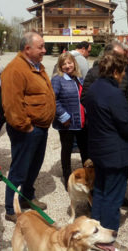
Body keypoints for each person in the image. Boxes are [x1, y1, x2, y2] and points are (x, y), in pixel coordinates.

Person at [1, 31, 55, 223]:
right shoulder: (15, 69)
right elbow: (11, 104)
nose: (44, 50)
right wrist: (26, 126)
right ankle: (11, 208)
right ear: (27, 49)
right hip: (27, 129)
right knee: (19, 169)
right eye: (40, 47)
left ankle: (27, 198)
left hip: (40, 127)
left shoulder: (36, 66)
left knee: (33, 166)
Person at [82, 52, 128, 233]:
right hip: (115, 153)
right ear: (115, 71)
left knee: (99, 191)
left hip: (98, 149)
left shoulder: (93, 89)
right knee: (113, 198)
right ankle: (107, 238)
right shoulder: (114, 94)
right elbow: (127, 126)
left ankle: (95, 232)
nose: (124, 75)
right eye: (122, 71)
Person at [51, 52, 88, 188]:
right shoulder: (57, 80)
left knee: (85, 150)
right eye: (64, 64)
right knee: (67, 150)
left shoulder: (79, 78)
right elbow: (53, 99)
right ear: (60, 66)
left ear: (74, 63)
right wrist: (63, 116)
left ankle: (86, 176)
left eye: (69, 62)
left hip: (82, 122)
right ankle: (67, 178)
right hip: (67, 123)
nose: (67, 66)